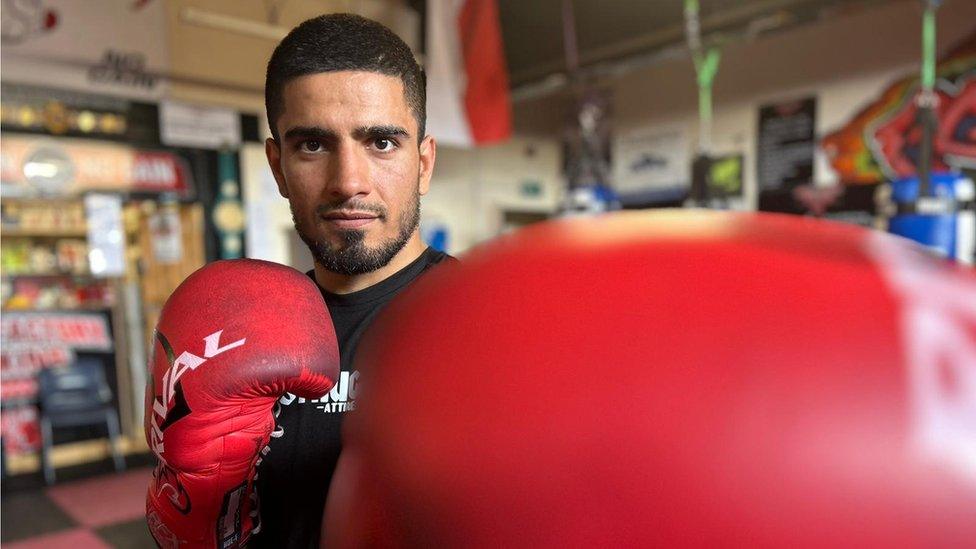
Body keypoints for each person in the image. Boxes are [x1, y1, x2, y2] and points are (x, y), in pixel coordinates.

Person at [251, 13, 455, 548]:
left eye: (382, 143)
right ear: (278, 167)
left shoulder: (484, 324)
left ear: (424, 162)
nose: (349, 183)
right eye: (313, 145)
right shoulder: (248, 331)